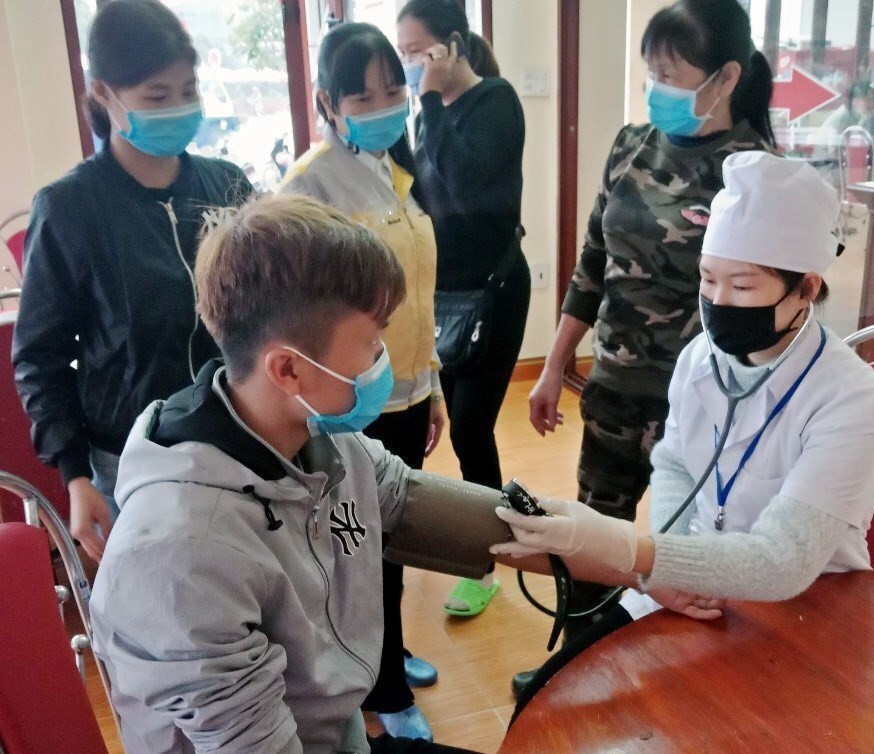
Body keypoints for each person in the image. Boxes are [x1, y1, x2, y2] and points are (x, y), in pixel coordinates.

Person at [88, 194, 621, 753]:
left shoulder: (320, 440)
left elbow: (434, 510)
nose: (383, 359)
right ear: (289, 367)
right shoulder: (182, 554)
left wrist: (634, 562)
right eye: (371, 342)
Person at [495, 151, 874, 716]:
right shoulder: (700, 359)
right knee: (550, 702)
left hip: (804, 607)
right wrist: (665, 570)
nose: (718, 302)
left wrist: (636, 553)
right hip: (697, 586)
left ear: (805, 289)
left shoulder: (852, 399)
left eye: (742, 285)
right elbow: (676, 463)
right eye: (708, 279)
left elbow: (783, 561)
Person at [520, 0, 777, 689]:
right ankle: (575, 675)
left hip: (700, 409)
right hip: (612, 388)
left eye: (672, 74)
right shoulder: (632, 145)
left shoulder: (755, 173)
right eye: (649, 74)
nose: (657, 88)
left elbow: (774, 303)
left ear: (725, 79)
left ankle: (672, 693)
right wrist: (552, 368)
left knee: (681, 560)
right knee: (591, 544)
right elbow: (592, 263)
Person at [12, 0, 253, 562]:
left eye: (188, 90)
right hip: (134, 461)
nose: (179, 107)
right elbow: (39, 360)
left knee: (248, 597)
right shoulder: (71, 209)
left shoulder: (226, 186)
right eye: (157, 96)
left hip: (239, 441)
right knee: (169, 616)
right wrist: (75, 476)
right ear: (104, 95)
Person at [280, 22, 443, 741]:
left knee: (393, 541)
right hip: (348, 405)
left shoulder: (396, 170)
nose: (383, 104)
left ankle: (388, 654)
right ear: (326, 101)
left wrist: (430, 384)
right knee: (356, 551)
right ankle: (378, 691)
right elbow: (298, 318)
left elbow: (418, 296)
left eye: (393, 89)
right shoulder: (309, 184)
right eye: (362, 94)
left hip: (403, 391)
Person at [397, 0, 529, 619]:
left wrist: (424, 105)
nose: (410, 65)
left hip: (491, 292)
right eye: (404, 53)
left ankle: (487, 558)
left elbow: (459, 178)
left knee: (473, 427)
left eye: (418, 51)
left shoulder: (495, 101)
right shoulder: (425, 117)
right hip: (439, 294)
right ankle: (470, 537)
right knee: (451, 427)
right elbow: (424, 197)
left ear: (451, 46)